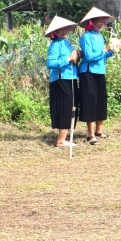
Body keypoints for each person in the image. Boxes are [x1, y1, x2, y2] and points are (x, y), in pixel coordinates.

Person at [78, 7, 116, 145]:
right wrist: (104, 50)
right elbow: (89, 56)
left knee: (101, 100)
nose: (101, 23)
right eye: (98, 21)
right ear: (91, 22)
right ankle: (90, 134)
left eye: (102, 21)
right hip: (88, 72)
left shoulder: (99, 36)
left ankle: (99, 130)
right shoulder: (86, 37)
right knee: (90, 102)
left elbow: (101, 56)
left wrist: (111, 51)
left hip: (100, 72)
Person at [45, 16, 80, 148]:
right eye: (60, 29)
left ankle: (64, 138)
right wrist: (68, 58)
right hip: (61, 80)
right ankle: (60, 140)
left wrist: (76, 57)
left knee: (72, 107)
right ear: (55, 31)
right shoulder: (55, 45)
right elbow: (51, 63)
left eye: (65, 29)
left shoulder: (66, 43)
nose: (63, 31)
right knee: (65, 108)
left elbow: (71, 59)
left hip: (70, 78)